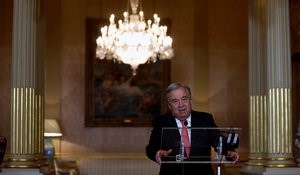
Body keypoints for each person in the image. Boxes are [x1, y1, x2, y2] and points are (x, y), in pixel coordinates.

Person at [146, 82, 240, 175]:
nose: (181, 104)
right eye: (175, 101)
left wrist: (229, 153)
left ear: (190, 101)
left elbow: (218, 141)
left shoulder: (205, 119)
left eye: (184, 99)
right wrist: (156, 153)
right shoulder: (161, 122)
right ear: (170, 106)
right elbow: (150, 148)